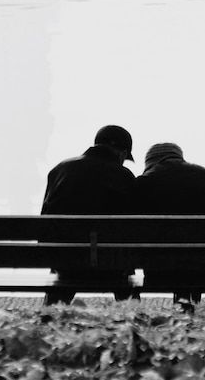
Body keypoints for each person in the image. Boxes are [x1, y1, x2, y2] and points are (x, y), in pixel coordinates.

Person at [41, 125, 138, 304]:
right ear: (122, 153)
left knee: (63, 251)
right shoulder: (124, 176)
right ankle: (132, 314)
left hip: (67, 265)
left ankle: (50, 312)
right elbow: (135, 227)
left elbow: (45, 221)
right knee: (124, 253)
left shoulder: (60, 170)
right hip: (112, 267)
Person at [134, 142, 205, 302]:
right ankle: (189, 306)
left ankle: (185, 307)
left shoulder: (145, 182)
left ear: (151, 162)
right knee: (196, 251)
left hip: (161, 268)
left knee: (175, 255)